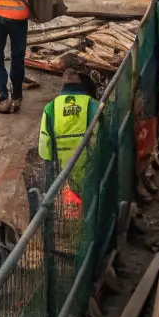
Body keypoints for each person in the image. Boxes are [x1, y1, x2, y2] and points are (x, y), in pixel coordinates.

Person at [38, 71, 99, 213]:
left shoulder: (50, 107)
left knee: (71, 215)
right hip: (92, 173)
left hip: (64, 176)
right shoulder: (95, 106)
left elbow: (44, 149)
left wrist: (50, 180)